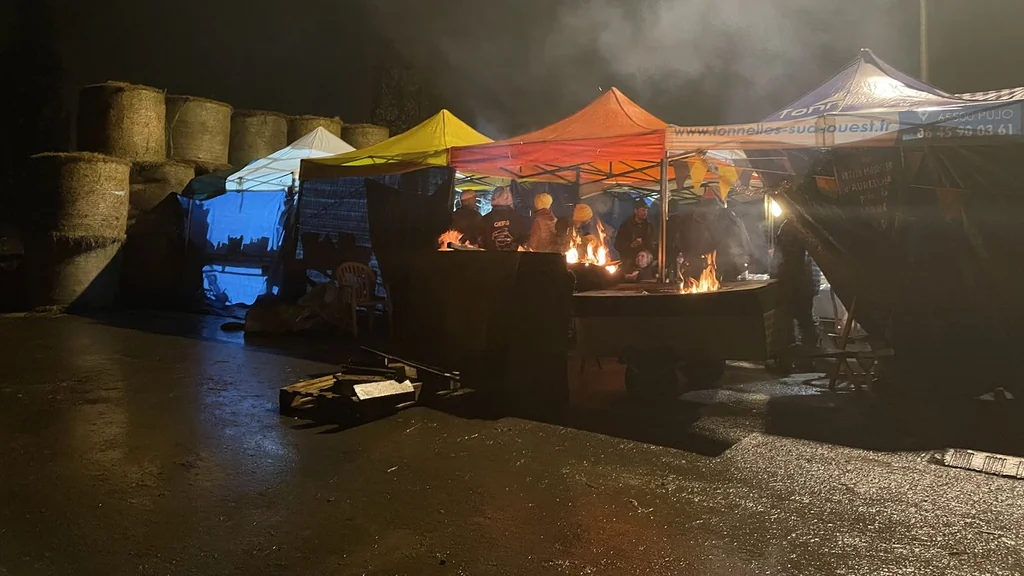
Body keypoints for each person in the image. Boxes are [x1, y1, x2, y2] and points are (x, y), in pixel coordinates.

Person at [772, 219, 822, 370]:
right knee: (806, 320)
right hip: (808, 281)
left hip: (793, 282)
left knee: (786, 321)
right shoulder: (811, 224)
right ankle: (809, 359)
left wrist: (777, 277)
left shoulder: (791, 226)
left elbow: (787, 258)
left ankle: (786, 361)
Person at [614, 198, 655, 277]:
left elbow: (652, 243)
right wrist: (631, 245)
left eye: (646, 210)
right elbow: (617, 244)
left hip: (645, 266)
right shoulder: (626, 226)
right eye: (643, 210)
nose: (645, 213)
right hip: (629, 264)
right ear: (636, 211)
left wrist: (646, 251)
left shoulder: (649, 226)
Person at [479, 186, 529, 251]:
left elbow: (480, 242)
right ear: (508, 198)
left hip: (490, 259)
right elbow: (525, 241)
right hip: (513, 259)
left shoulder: (484, 219)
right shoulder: (520, 219)